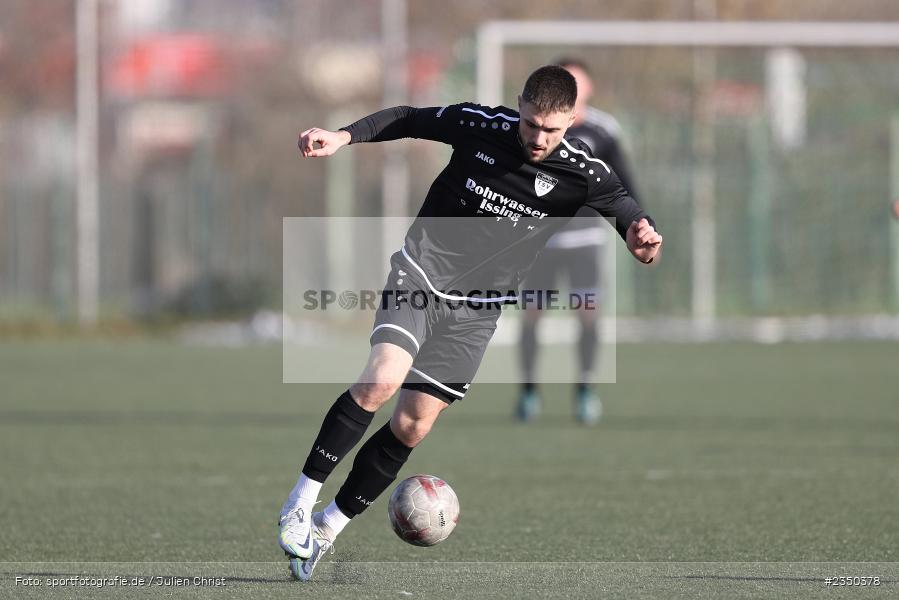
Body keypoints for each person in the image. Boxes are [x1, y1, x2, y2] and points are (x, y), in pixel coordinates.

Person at [280, 66, 662, 581]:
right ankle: (301, 502)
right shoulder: (479, 124)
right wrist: (344, 135)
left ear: (571, 121)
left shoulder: (584, 173)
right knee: (382, 378)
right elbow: (408, 118)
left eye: (550, 129)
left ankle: (327, 527)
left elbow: (628, 212)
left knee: (413, 422)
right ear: (520, 105)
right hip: (421, 272)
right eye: (530, 123)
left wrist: (642, 239)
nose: (537, 137)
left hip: (478, 310)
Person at [516, 58, 644, 425]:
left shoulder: (604, 130)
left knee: (588, 315)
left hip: (585, 243)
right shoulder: (532, 130)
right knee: (532, 318)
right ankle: (528, 391)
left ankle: (585, 390)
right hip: (537, 245)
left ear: (586, 90)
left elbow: (624, 186)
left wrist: (640, 226)